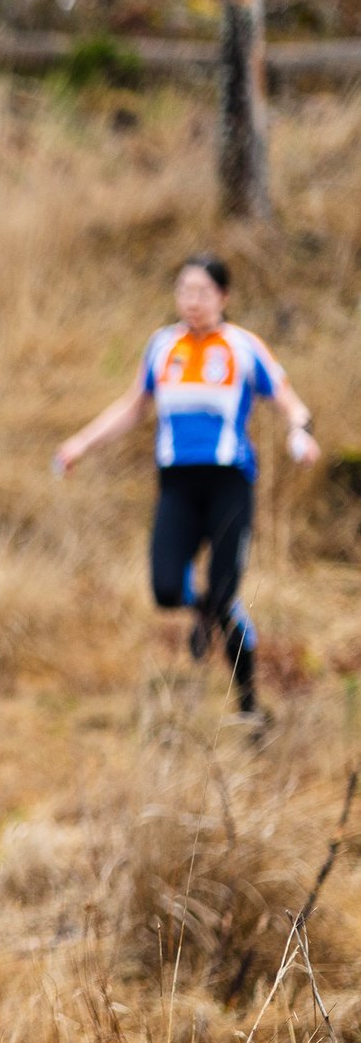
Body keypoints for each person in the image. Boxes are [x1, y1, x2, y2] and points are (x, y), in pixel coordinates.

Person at [55, 254, 319, 728]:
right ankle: (209, 611)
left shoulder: (242, 347)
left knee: (223, 599)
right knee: (164, 588)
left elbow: (289, 402)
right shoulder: (163, 346)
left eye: (202, 292)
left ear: (223, 296)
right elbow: (134, 406)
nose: (191, 301)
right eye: (184, 291)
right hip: (176, 483)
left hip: (228, 482)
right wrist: (80, 443)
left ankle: (248, 705)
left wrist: (300, 432)